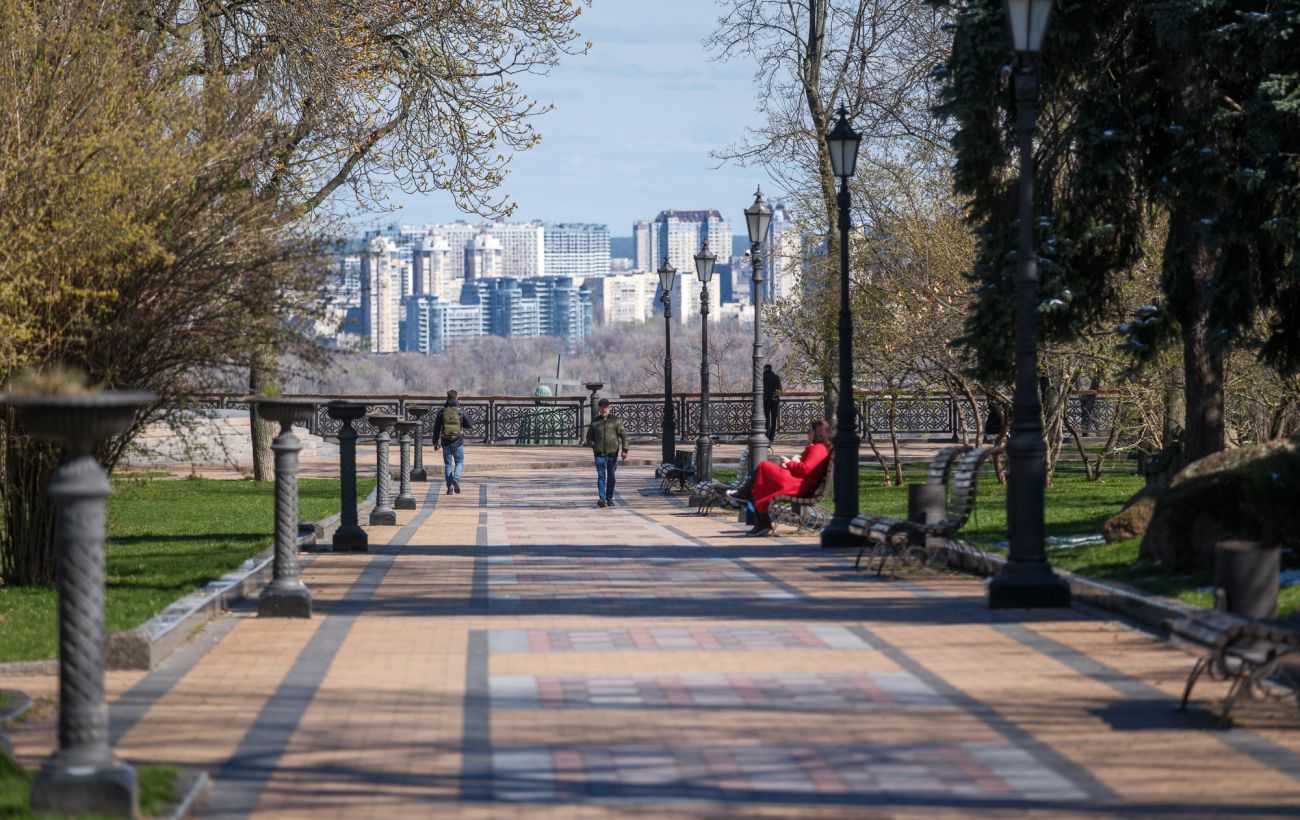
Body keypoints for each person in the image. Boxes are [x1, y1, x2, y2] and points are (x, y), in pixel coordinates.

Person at [729, 419, 832, 536]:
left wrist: (788, 463)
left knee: (764, 466)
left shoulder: (818, 448)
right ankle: (759, 520)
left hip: (799, 485)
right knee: (761, 483)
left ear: (817, 433)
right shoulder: (819, 447)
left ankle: (743, 495)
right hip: (799, 482)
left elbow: (805, 469)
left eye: (810, 431)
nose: (808, 434)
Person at [585, 397, 628, 508]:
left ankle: (609, 498)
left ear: (609, 408)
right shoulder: (595, 421)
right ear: (599, 409)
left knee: (611, 477)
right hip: (599, 454)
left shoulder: (616, 421)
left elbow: (624, 436)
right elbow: (588, 438)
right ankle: (602, 499)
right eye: (602, 407)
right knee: (601, 476)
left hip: (612, 454)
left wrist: (625, 450)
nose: (604, 410)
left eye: (606, 407)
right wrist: (594, 446)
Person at [432, 389, 474, 495]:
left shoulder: (442, 412)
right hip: (458, 441)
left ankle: (450, 488)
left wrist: (435, 442)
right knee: (459, 462)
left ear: (447, 398)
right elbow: (470, 425)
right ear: (457, 397)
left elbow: (436, 428)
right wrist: (461, 424)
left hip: (445, 442)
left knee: (448, 464)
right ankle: (456, 478)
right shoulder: (461, 411)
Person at [763, 364, 782, 443]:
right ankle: (771, 437)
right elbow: (780, 389)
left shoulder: (763, 377)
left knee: (766, 419)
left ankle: (766, 435)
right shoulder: (776, 377)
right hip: (775, 401)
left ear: (765, 369)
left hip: (766, 400)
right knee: (774, 419)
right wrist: (776, 397)